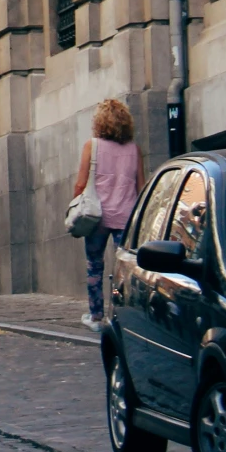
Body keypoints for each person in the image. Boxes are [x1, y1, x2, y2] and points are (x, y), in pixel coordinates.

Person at [73, 98, 141, 328]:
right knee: (125, 269)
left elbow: (81, 183)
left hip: (97, 216)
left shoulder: (92, 146)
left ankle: (96, 316)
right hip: (126, 216)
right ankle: (124, 315)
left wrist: (74, 203)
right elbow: (141, 186)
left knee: (94, 265)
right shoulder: (134, 149)